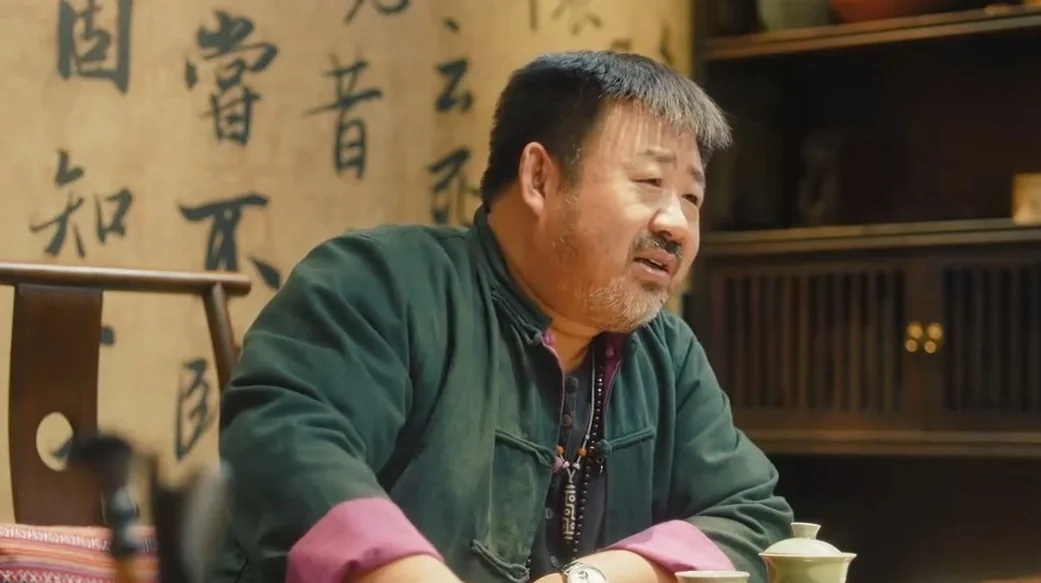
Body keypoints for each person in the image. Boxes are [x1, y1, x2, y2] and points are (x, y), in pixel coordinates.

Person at [210, 50, 793, 583]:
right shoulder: (382, 283)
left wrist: (595, 578)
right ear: (540, 177)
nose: (677, 225)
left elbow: (751, 515)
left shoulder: (666, 351)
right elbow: (288, 442)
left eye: (691, 197)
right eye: (650, 182)